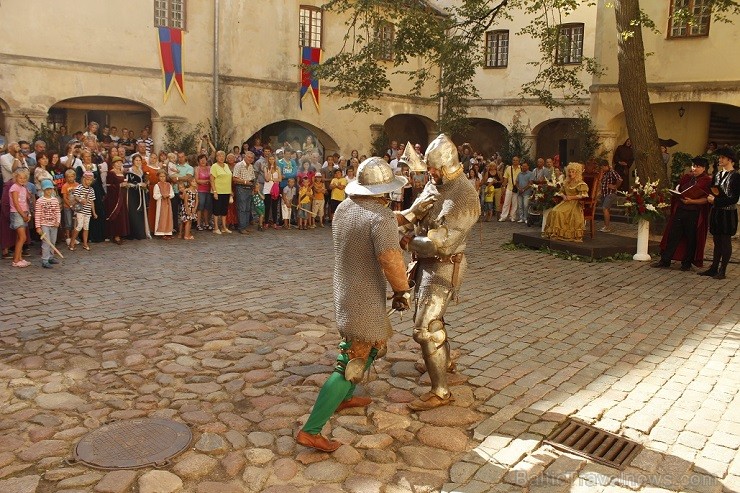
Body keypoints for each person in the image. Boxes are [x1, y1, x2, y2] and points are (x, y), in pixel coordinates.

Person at [296, 157, 412, 452]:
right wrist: (402, 289)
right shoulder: (380, 218)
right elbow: (389, 257)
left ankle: (344, 397)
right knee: (352, 359)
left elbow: (373, 226)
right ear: (382, 190)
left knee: (369, 347)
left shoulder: (345, 208)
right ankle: (311, 430)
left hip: (347, 291)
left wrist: (407, 216)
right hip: (362, 297)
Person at [396, 134, 481, 411]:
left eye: (433, 168)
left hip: (444, 265)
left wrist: (409, 241)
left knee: (425, 328)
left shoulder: (463, 195)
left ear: (446, 165)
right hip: (426, 263)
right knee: (434, 320)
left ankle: (441, 391)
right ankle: (444, 361)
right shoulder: (436, 185)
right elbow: (418, 216)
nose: (429, 173)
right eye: (429, 168)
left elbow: (441, 243)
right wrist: (407, 225)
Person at [653, 156, 711, 271]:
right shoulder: (686, 177)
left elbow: (707, 199)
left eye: (697, 167)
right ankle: (665, 260)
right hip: (681, 210)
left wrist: (692, 201)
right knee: (673, 235)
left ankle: (686, 263)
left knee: (691, 238)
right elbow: (679, 189)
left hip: (694, 213)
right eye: (693, 166)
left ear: (703, 168)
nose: (694, 169)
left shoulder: (707, 180)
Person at [700, 148, 739, 279]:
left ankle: (723, 270)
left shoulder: (736, 176)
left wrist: (716, 200)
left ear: (730, 159)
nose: (720, 160)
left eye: (722, 157)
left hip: (728, 213)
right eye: (719, 157)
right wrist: (711, 198)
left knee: (725, 240)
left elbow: (734, 198)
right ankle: (714, 267)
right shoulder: (716, 174)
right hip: (716, 212)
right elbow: (713, 190)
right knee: (716, 239)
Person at [542, 162, 589, 242]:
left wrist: (571, 197)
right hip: (565, 202)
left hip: (574, 203)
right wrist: (564, 196)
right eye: (569, 172)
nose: (570, 173)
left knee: (559, 212)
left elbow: (583, 195)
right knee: (554, 211)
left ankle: (564, 234)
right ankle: (555, 233)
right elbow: (561, 192)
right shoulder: (566, 182)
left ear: (577, 172)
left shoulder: (581, 184)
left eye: (573, 172)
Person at [35, 180, 61, 268]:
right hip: (44, 224)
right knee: (46, 242)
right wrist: (38, 227)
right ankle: (45, 260)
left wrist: (58, 221)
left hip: (54, 224)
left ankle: (51, 257)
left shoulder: (55, 200)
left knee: (53, 241)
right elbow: (37, 214)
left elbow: (58, 212)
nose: (49, 191)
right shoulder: (40, 201)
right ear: (43, 190)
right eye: (47, 189)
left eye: (50, 189)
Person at [69, 171, 97, 251]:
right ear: (83, 179)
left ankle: (85, 243)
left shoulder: (91, 190)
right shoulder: (79, 187)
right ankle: (72, 242)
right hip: (80, 210)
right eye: (87, 179)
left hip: (87, 211)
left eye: (91, 180)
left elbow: (92, 202)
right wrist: (81, 200)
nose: (89, 181)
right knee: (79, 226)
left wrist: (94, 212)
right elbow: (76, 197)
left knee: (86, 227)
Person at [9, 169, 32, 267]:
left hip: (24, 213)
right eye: (20, 177)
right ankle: (16, 260)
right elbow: (16, 203)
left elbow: (26, 202)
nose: (22, 179)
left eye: (24, 178)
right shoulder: (15, 187)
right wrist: (23, 215)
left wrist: (28, 214)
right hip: (17, 213)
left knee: (20, 237)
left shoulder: (23, 187)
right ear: (16, 177)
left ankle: (19, 257)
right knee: (23, 237)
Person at [104, 157, 129, 245]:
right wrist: (120, 185)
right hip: (114, 198)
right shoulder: (111, 173)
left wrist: (125, 185)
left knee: (122, 215)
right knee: (116, 215)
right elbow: (109, 186)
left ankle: (121, 233)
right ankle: (115, 235)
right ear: (113, 164)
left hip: (121, 195)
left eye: (120, 162)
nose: (119, 164)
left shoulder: (121, 172)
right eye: (117, 162)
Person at [124, 156, 149, 240]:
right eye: (136, 160)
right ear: (133, 161)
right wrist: (138, 185)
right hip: (132, 194)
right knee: (132, 212)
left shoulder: (141, 171)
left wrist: (145, 185)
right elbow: (127, 183)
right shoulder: (129, 171)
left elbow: (144, 182)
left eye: (139, 160)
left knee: (140, 212)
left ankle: (140, 233)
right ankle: (132, 233)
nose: (138, 162)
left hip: (140, 194)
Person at [210, 150, 233, 234]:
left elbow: (229, 179)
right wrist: (215, 191)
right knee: (216, 210)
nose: (221, 157)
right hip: (218, 191)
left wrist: (230, 190)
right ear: (216, 157)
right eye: (219, 156)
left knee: (224, 210)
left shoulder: (226, 165)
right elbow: (212, 180)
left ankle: (224, 227)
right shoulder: (214, 166)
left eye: (223, 156)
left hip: (226, 191)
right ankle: (216, 227)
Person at [233, 151, 256, 234]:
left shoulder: (251, 167)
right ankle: (241, 227)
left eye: (252, 158)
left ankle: (245, 226)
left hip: (249, 188)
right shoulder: (239, 165)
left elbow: (253, 178)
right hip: (241, 188)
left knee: (247, 209)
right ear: (245, 157)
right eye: (249, 157)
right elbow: (234, 178)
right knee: (242, 208)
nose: (250, 159)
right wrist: (245, 182)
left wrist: (254, 186)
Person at [598, 159, 623, 233]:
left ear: (605, 166)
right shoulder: (605, 173)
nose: (601, 169)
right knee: (606, 209)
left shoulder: (612, 172)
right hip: (605, 193)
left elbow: (620, 179)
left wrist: (615, 186)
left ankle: (607, 227)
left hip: (610, 193)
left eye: (602, 167)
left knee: (605, 208)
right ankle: (606, 225)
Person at [152, 171, 175, 239]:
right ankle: (160, 232)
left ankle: (168, 232)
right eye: (161, 176)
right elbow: (155, 195)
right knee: (161, 216)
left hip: (167, 203)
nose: (162, 178)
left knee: (168, 216)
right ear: (158, 177)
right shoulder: (157, 185)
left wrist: (168, 195)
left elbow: (172, 193)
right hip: (160, 203)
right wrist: (162, 196)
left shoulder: (169, 185)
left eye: (164, 176)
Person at [499, 156, 521, 222]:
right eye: (514, 160)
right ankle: (503, 216)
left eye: (516, 160)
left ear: (518, 161)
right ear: (512, 161)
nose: (515, 161)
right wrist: (503, 187)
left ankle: (512, 217)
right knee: (506, 203)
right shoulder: (508, 168)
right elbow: (505, 178)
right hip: (509, 187)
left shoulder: (521, 168)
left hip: (517, 188)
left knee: (515, 204)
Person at [194, 153, 212, 231]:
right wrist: (207, 181)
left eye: (204, 159)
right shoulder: (197, 169)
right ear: (198, 161)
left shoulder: (209, 168)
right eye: (201, 160)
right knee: (200, 207)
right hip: (201, 190)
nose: (203, 161)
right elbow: (197, 180)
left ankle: (206, 223)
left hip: (209, 190)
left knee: (207, 207)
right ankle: (198, 224)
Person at [61, 169, 78, 246]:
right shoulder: (65, 186)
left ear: (74, 177)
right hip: (67, 206)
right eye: (68, 177)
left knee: (75, 222)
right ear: (66, 178)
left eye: (72, 176)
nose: (70, 178)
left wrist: (75, 204)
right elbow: (64, 197)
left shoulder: (77, 185)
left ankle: (73, 238)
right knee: (68, 222)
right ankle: (68, 238)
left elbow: (78, 195)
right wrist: (70, 205)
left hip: (76, 206)